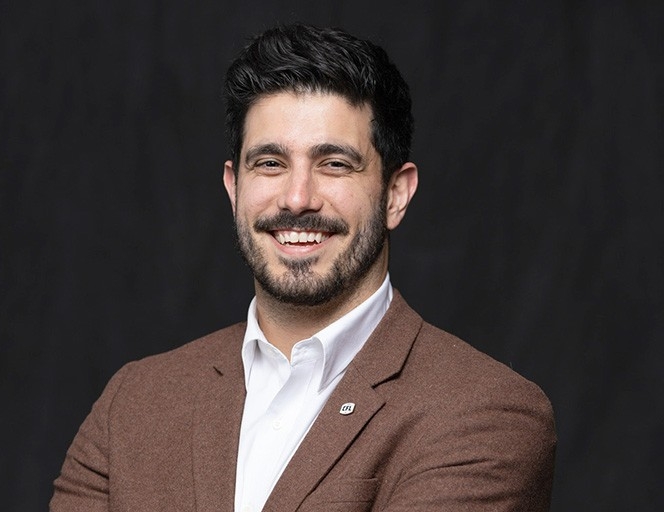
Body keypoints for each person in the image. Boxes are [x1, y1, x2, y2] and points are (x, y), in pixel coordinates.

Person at [50, 23, 556, 512]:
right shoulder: (135, 402)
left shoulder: (485, 412)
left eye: (334, 163)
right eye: (269, 163)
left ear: (395, 195)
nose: (297, 198)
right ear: (233, 188)